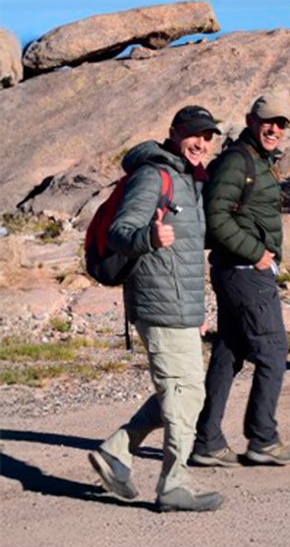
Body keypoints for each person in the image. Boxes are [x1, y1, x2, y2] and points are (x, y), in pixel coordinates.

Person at [88, 105, 225, 511]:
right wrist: (148, 236)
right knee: (186, 393)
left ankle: (116, 451)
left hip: (179, 305)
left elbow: (184, 255)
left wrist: (197, 312)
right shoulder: (154, 175)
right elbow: (119, 232)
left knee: (180, 392)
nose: (201, 143)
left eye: (208, 136)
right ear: (174, 133)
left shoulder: (188, 179)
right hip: (158, 303)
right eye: (194, 134)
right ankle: (173, 485)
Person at [190, 93, 290, 467]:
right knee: (272, 351)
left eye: (281, 123)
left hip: (239, 271)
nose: (275, 129)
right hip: (244, 272)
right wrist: (257, 254)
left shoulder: (258, 160)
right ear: (252, 120)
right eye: (268, 121)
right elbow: (216, 217)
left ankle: (207, 441)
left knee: (229, 352)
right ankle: (263, 439)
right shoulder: (239, 162)